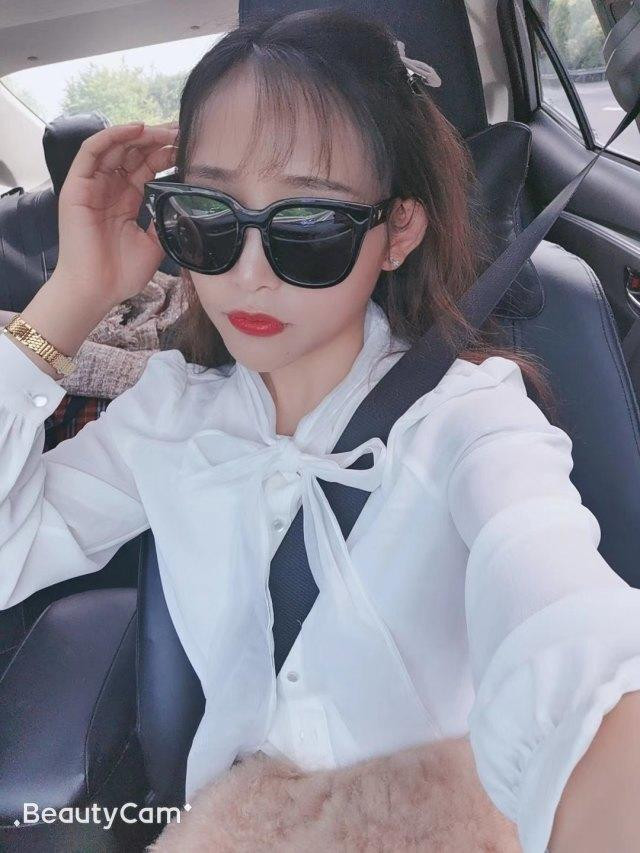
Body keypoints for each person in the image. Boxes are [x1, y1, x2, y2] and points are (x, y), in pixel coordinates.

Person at [1, 8, 640, 851]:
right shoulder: (169, 412)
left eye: (309, 226)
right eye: (208, 217)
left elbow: (568, 621)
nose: (249, 276)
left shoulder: (470, 416)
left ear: (397, 232)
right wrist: (74, 295)